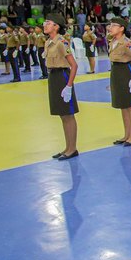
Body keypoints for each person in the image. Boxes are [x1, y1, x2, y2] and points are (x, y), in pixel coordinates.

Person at [44, 14, 79, 160]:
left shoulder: (61, 42)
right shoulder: (48, 42)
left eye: (48, 23)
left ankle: (72, 149)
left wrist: (69, 86)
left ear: (56, 26)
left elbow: (74, 65)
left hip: (63, 76)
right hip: (53, 77)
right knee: (62, 114)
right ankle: (67, 147)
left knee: (68, 115)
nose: (45, 24)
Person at [108, 17, 131, 147]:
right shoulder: (113, 41)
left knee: (129, 105)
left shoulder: (127, 43)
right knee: (122, 105)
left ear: (122, 28)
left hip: (126, 71)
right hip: (116, 71)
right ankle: (126, 134)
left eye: (114, 25)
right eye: (110, 25)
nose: (111, 27)